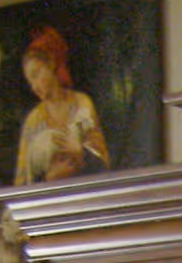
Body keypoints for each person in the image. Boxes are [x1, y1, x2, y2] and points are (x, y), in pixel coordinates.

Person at [14, 26, 110, 185]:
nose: (34, 86)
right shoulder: (33, 119)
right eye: (29, 81)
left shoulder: (82, 103)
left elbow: (103, 162)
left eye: (36, 74)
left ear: (51, 64)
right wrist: (49, 178)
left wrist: (81, 153)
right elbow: (22, 178)